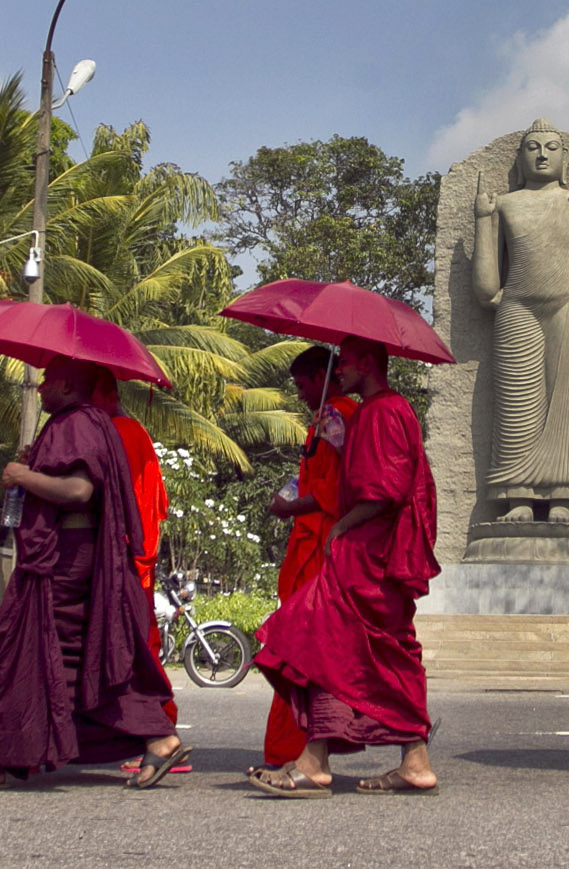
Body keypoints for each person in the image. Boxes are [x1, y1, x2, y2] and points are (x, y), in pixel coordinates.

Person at [0, 356, 186, 790]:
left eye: (48, 380)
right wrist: (36, 466)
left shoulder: (77, 422)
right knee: (73, 656)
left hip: (66, 557)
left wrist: (22, 476)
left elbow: (78, 490)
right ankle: (155, 738)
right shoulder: (89, 422)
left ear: (70, 386)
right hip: (74, 555)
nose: (41, 388)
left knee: (23, 650)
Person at [250, 335, 441, 796]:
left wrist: (341, 527)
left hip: (368, 553)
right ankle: (405, 761)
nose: (341, 372)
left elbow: (385, 491)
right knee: (352, 653)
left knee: (319, 638)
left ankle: (317, 762)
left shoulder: (384, 410)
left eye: (348, 363)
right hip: (368, 551)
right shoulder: (373, 413)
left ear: (370, 364)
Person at [470, 119, 569, 523]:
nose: (542, 154)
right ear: (519, 159)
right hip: (518, 310)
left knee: (568, 402)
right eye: (532, 147)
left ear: (564, 158)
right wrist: (483, 220)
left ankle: (565, 496)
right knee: (517, 405)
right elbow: (486, 290)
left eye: (551, 147)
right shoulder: (506, 204)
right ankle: (519, 496)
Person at [261, 345, 357, 769]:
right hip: (313, 546)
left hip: (322, 549)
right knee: (301, 651)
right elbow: (313, 477)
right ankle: (299, 750)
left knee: (301, 652)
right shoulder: (330, 418)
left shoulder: (337, 416)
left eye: (303, 385)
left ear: (322, 377)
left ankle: (302, 752)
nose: (300, 394)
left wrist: (289, 507)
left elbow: (338, 491)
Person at [92, 368, 187, 776]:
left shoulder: (120, 433)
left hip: (127, 556)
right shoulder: (133, 432)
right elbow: (157, 499)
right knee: (134, 646)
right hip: (136, 553)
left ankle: (161, 733)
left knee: (134, 651)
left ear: (106, 396)